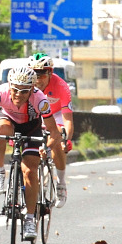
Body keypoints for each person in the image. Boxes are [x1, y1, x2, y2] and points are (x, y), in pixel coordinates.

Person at [0, 66, 61, 241]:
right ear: (9, 86)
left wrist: (46, 148)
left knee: (29, 171)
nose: (18, 94)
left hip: (32, 126)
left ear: (32, 89)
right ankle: (0, 170)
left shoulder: (40, 100)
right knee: (0, 129)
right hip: (8, 119)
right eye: (15, 90)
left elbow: (54, 132)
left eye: (24, 91)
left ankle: (30, 219)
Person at [26, 52, 74, 207]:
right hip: (37, 114)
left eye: (41, 75)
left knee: (57, 139)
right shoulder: (27, 84)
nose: (37, 80)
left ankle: (60, 182)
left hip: (56, 115)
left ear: (50, 73)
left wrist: (66, 139)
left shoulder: (61, 86)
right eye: (34, 75)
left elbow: (67, 119)